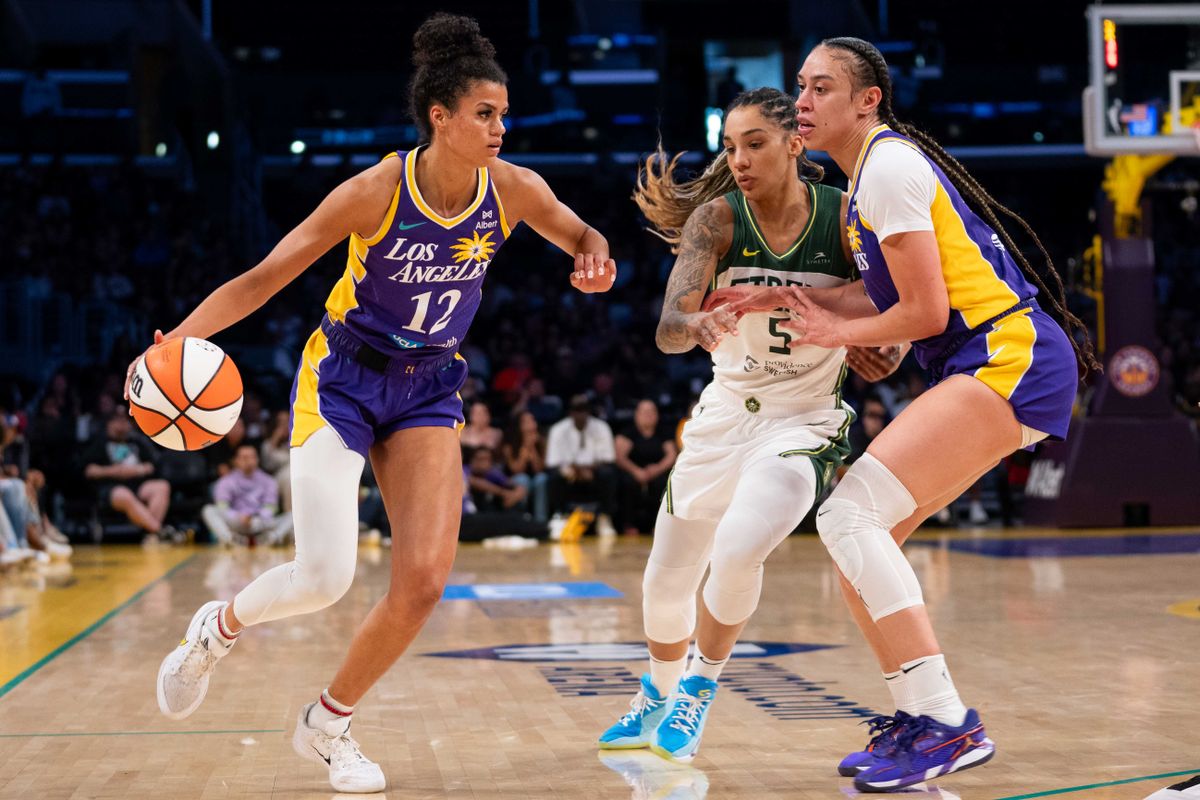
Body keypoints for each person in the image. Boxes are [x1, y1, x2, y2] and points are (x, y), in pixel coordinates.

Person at [140, 13, 616, 794]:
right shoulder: (374, 193)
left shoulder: (515, 189)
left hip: (428, 385)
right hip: (344, 380)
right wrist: (178, 339)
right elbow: (266, 277)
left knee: (423, 581)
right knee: (323, 577)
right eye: (485, 114)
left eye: (504, 113)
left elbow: (584, 235)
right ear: (441, 117)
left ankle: (326, 725)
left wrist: (595, 260)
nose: (501, 128)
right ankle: (216, 630)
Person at [781, 37, 1096, 791]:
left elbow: (924, 312)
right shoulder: (868, 178)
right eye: (800, 86)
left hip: (1010, 354)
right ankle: (922, 717)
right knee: (865, 544)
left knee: (847, 517)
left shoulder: (888, 167)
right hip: (984, 360)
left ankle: (949, 722)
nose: (802, 101)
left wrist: (835, 333)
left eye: (821, 88)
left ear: (868, 101)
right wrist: (778, 298)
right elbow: (880, 299)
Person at [598, 87, 895, 762]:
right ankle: (656, 694)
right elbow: (669, 330)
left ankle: (698, 688)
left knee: (737, 548)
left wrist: (879, 348)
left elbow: (890, 319)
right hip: (724, 415)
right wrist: (696, 322)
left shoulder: (845, 218)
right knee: (663, 585)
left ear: (794, 144)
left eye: (754, 144)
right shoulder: (716, 220)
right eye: (730, 146)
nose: (738, 159)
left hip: (804, 420)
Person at [82, 411, 175, 540]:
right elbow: (89, 470)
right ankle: (159, 530)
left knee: (162, 486)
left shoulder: (137, 441)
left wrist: (137, 470)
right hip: (111, 487)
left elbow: (152, 465)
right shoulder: (99, 443)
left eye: (125, 421)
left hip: (138, 483)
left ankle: (151, 534)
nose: (121, 425)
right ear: (109, 424)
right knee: (124, 494)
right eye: (117, 421)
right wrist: (113, 471)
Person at [545, 393, 618, 535]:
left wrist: (589, 470)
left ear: (589, 411)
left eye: (584, 410)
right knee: (554, 476)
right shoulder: (558, 430)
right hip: (568, 472)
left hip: (594, 472)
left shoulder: (601, 427)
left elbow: (608, 458)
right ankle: (560, 516)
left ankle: (604, 517)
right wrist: (574, 471)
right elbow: (552, 461)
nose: (580, 415)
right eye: (577, 411)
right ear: (570, 412)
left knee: (608, 473)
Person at [201, 444, 292, 546]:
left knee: (292, 515)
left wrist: (256, 517)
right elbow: (222, 507)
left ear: (257, 460)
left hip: (260, 522)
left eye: (252, 457)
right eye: (244, 457)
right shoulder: (225, 482)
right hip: (237, 521)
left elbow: (271, 507)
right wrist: (238, 516)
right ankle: (229, 539)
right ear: (236, 461)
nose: (249, 461)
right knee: (208, 510)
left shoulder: (269, 481)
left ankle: (271, 538)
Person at [614, 399, 676, 536]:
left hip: (657, 472)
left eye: (651, 412)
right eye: (645, 412)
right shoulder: (628, 432)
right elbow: (620, 457)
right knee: (627, 483)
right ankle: (628, 524)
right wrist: (636, 471)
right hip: (633, 471)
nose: (648, 415)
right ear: (637, 415)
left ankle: (657, 524)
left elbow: (671, 455)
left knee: (663, 483)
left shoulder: (663, 432)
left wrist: (657, 468)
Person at [501, 410, 548, 522]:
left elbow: (540, 469)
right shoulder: (510, 444)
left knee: (541, 479)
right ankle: (522, 519)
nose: (531, 424)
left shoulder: (541, 441)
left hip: (536, 477)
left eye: (532, 420)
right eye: (526, 422)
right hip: (515, 478)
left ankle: (540, 520)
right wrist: (525, 448)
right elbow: (516, 469)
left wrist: (533, 449)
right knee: (523, 479)